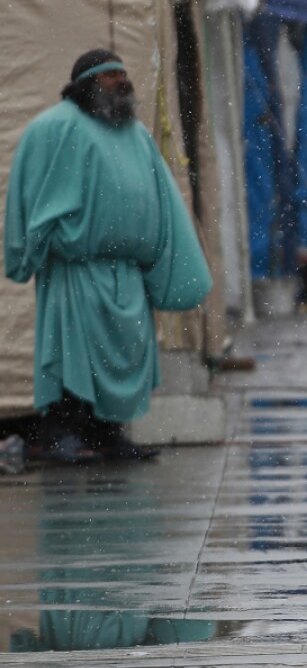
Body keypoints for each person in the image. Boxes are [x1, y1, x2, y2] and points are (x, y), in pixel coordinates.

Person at [4, 49, 212, 464]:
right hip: (76, 269)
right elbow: (28, 194)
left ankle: (107, 435)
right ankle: (61, 434)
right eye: (110, 75)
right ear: (86, 84)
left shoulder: (136, 135)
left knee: (122, 357)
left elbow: (162, 197)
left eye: (123, 73)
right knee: (72, 355)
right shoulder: (55, 127)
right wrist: (27, 249)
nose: (122, 81)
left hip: (126, 272)